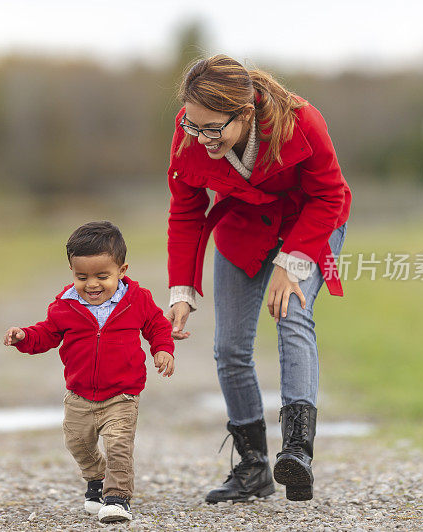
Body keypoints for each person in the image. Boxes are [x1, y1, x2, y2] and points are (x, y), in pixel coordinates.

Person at [165, 55, 351, 502]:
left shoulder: (302, 121)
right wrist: (182, 290)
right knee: (228, 347)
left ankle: (297, 452)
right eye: (193, 126)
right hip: (243, 229)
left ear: (245, 113)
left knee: (292, 314)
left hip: (308, 222)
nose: (201, 137)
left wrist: (292, 263)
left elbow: (329, 194)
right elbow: (186, 209)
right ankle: (253, 468)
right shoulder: (191, 128)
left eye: (213, 128)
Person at [3, 221, 175, 523]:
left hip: (122, 393)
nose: (92, 284)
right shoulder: (65, 306)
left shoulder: (137, 300)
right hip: (79, 394)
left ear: (122, 270)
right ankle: (96, 480)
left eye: (102, 276)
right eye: (82, 276)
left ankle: (117, 497)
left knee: (118, 444)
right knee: (77, 442)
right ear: (72, 272)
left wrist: (162, 349)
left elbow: (157, 325)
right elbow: (46, 334)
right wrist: (24, 337)